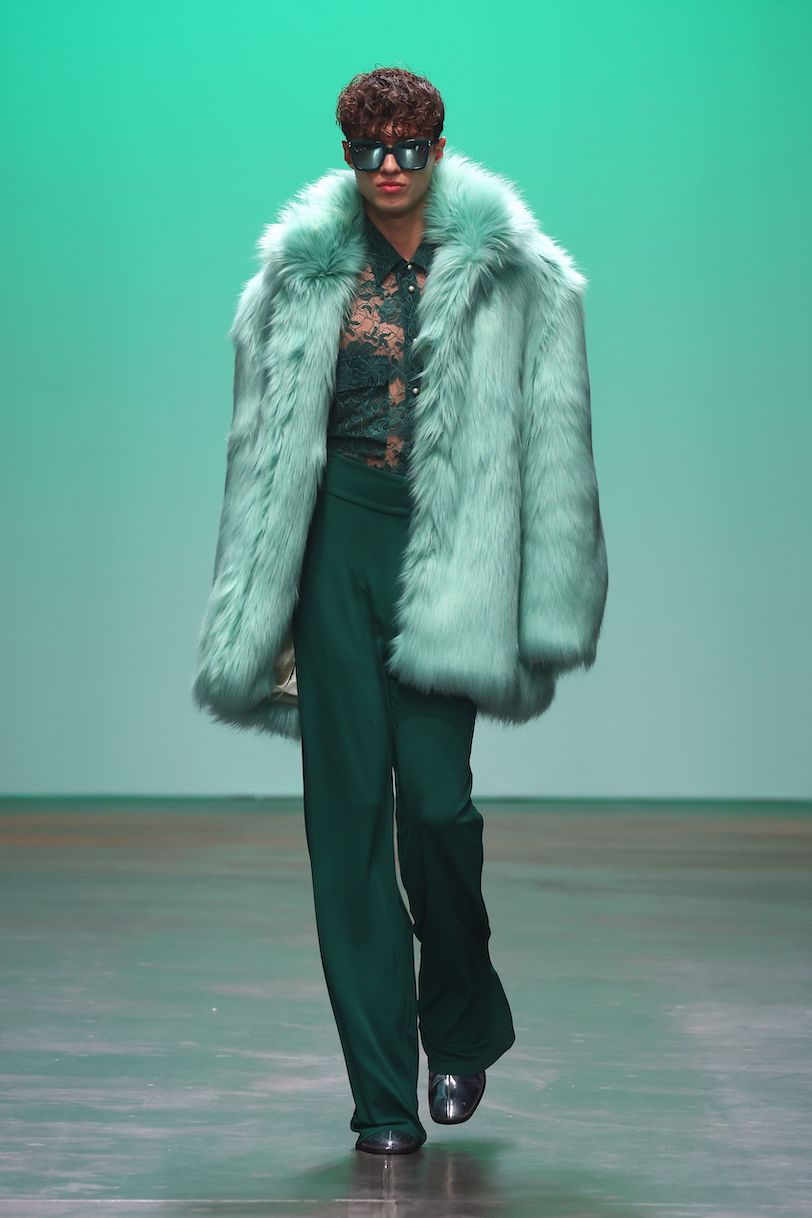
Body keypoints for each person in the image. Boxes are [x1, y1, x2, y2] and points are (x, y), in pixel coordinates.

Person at [192, 66, 608, 1156]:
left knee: (435, 808)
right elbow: (257, 450)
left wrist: (550, 601)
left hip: (453, 550)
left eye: (407, 147)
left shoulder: (519, 276)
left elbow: (556, 446)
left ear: (437, 148)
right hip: (332, 543)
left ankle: (462, 1023)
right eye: (369, 149)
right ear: (346, 153)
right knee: (344, 828)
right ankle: (381, 1098)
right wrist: (253, 597)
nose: (388, 166)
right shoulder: (295, 276)